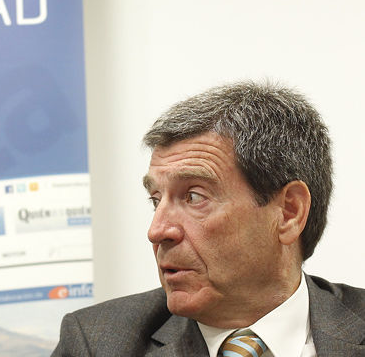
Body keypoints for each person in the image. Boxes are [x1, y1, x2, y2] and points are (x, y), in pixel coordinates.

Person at [51, 81, 365, 356]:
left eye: (194, 197)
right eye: (156, 200)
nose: (157, 231)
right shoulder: (97, 344)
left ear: (289, 212)